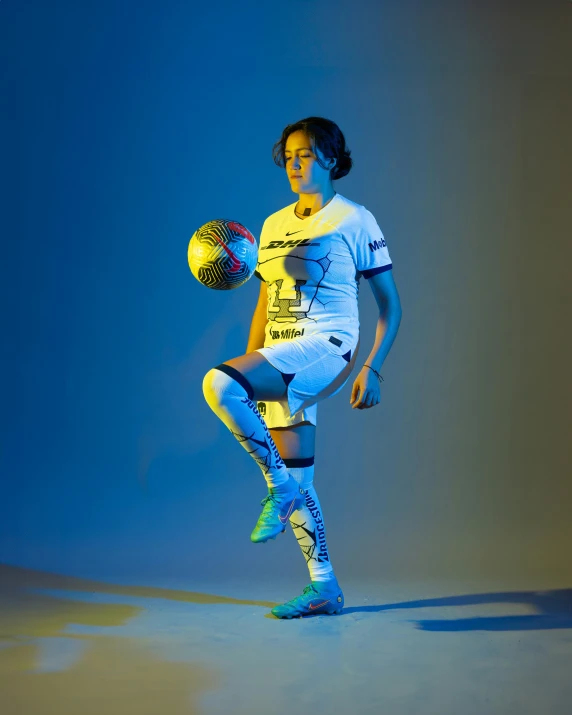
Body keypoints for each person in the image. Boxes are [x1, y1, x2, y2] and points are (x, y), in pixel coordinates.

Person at [202, 116, 402, 619]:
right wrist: (250, 368)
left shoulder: (355, 219)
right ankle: (325, 588)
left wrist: (372, 368)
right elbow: (266, 302)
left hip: (328, 346)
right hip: (281, 352)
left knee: (217, 384)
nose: (294, 164)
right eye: (288, 156)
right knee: (300, 477)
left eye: (306, 154)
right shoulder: (270, 225)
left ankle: (278, 489)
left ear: (332, 159)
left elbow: (390, 305)